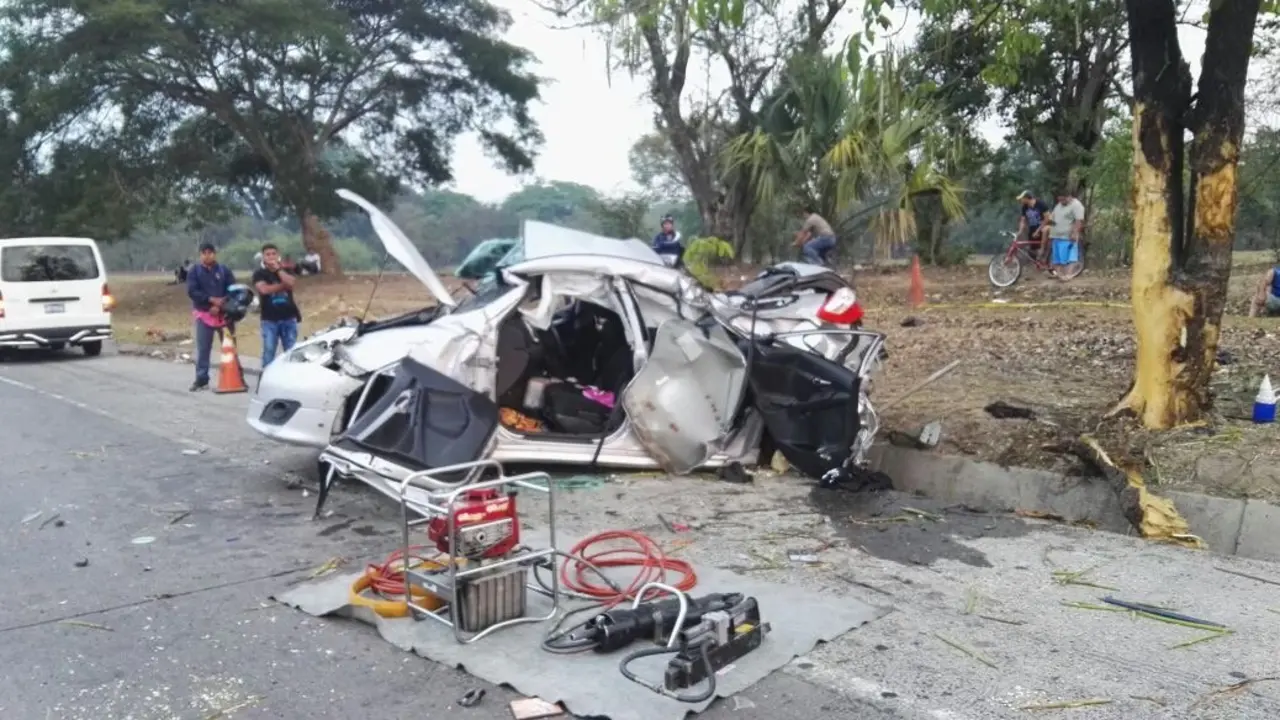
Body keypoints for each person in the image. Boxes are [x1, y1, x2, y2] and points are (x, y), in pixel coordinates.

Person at [186, 243, 236, 391]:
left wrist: (220, 303)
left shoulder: (224, 270)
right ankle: (201, 380)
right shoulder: (194, 271)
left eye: (210, 252)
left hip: (224, 314)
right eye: (204, 253)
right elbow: (192, 292)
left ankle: (236, 377)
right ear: (200, 255)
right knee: (203, 348)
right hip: (204, 314)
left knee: (230, 346)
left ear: (215, 254)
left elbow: (233, 289)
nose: (207, 255)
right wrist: (210, 301)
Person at [252, 243, 302, 365]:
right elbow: (264, 290)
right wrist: (282, 286)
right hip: (269, 319)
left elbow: (291, 282)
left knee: (291, 351)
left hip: (289, 317)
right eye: (268, 254)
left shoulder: (286, 270)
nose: (271, 257)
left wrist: (278, 270)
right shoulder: (259, 273)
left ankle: (291, 380)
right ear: (263, 257)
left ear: (278, 255)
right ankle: (265, 378)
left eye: (274, 254)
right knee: (269, 351)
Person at [1046, 188, 1085, 278]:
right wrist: (1049, 225)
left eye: (1063, 199)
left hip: (1067, 236)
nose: (1061, 201)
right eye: (1059, 200)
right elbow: (1053, 218)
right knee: (1057, 258)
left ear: (1069, 197)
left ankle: (1068, 274)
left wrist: (1075, 233)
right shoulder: (1058, 205)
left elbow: (1079, 221)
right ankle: (1060, 275)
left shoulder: (1076, 205)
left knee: (1069, 258)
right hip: (1056, 236)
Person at [1016, 190, 1051, 262]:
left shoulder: (1041, 204)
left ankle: (1046, 261)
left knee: (1043, 247)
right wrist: (1020, 231)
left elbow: (1047, 218)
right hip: (1033, 228)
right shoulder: (1024, 207)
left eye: (1022, 199)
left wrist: (1038, 230)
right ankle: (1039, 263)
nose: (1020, 200)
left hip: (1043, 227)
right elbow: (1023, 220)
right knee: (1032, 249)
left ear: (1027, 198)